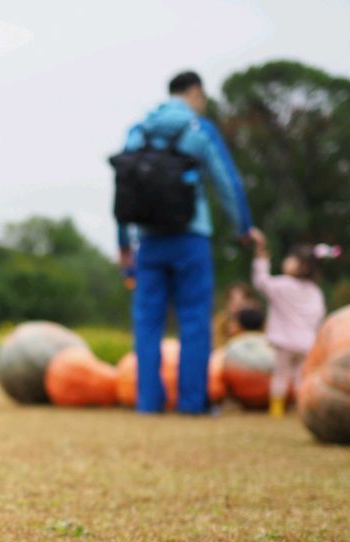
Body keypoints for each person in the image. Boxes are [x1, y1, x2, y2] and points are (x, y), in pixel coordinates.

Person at [116, 71, 253, 414]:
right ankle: (193, 403)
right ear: (195, 92)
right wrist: (243, 227)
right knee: (193, 321)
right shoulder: (199, 129)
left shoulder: (139, 131)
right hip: (191, 237)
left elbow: (124, 187)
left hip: (148, 239)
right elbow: (227, 181)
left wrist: (123, 243)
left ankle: (148, 401)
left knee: (147, 323)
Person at [249, 228, 326, 417]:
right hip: (306, 342)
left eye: (291, 259)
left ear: (302, 267)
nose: (286, 261)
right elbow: (319, 315)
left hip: (284, 341)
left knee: (281, 375)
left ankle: (276, 409)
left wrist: (261, 259)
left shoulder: (283, 285)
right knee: (301, 376)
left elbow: (261, 282)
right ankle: (302, 408)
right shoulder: (315, 292)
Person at [213, 282, 261, 347]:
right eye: (232, 299)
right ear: (226, 302)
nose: (237, 304)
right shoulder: (219, 322)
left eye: (242, 299)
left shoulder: (256, 324)